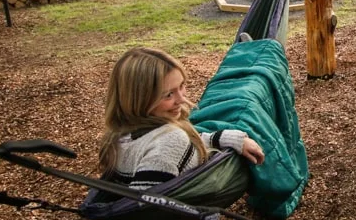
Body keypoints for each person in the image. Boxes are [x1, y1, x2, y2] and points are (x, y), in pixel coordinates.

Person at [97, 48, 265, 192]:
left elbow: (179, 149)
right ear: (139, 99)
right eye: (168, 94)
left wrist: (227, 138)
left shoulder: (120, 135)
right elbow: (145, 205)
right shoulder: (170, 139)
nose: (181, 99)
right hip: (191, 209)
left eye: (182, 86)